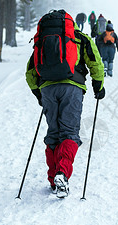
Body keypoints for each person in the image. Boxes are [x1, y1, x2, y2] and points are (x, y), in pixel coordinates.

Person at [25, 10, 105, 198]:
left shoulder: (42, 40)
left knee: (53, 133)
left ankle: (53, 180)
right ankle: (62, 173)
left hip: (47, 89)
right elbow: (95, 61)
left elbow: (30, 72)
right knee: (69, 132)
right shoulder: (79, 37)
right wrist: (98, 85)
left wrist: (39, 94)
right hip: (72, 88)